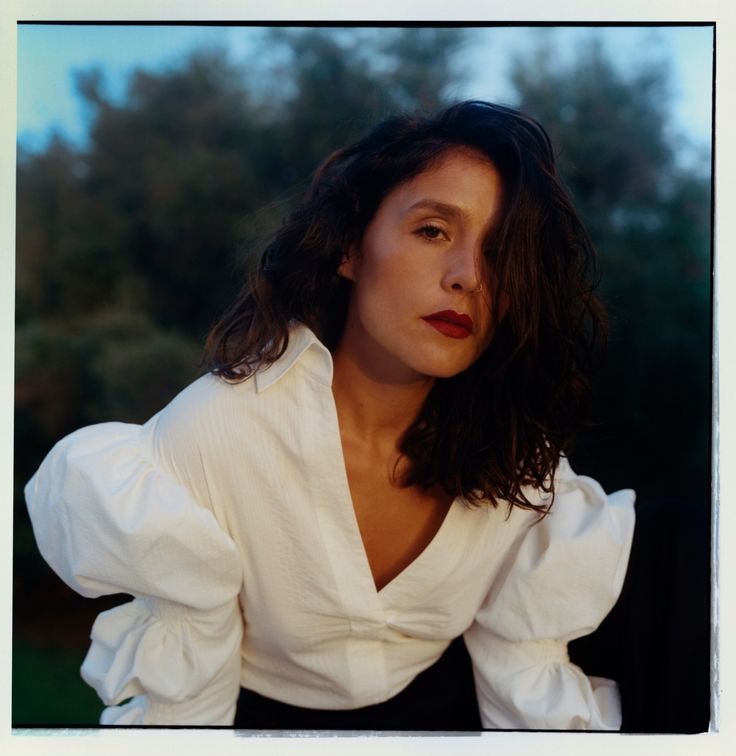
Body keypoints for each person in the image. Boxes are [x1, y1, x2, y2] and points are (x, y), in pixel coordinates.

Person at [25, 100, 636, 730]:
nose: (469, 277)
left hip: (449, 717)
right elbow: (190, 698)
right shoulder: (217, 432)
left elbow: (523, 672)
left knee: (683, 544)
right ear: (349, 246)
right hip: (257, 719)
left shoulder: (521, 460)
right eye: (433, 231)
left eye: (500, 252)